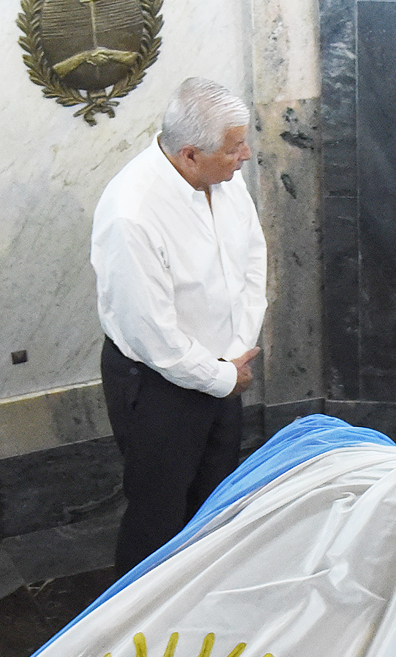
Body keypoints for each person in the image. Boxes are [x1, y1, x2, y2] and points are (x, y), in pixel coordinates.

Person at [91, 77, 267, 573]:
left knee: (215, 498)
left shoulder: (224, 179)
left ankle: (201, 598)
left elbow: (253, 260)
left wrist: (236, 350)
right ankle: (136, 620)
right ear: (190, 154)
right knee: (158, 513)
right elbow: (154, 337)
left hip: (225, 368)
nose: (247, 155)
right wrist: (224, 377)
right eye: (235, 148)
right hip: (156, 387)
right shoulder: (132, 213)